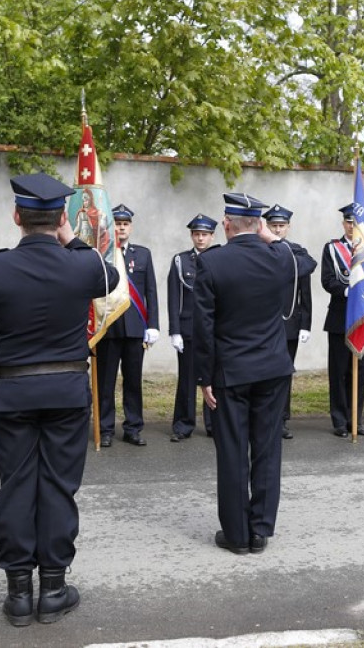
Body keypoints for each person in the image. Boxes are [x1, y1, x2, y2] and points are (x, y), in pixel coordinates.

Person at [0, 172, 120, 626]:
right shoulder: (82, 264)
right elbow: (109, 276)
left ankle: (17, 595)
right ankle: (52, 589)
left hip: (11, 396)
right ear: (61, 219)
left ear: (17, 217)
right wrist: (72, 240)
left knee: (15, 489)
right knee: (57, 486)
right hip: (67, 394)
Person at [194, 193, 313, 555]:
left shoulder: (212, 263)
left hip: (231, 371)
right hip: (273, 369)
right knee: (266, 448)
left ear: (227, 224)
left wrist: (204, 377)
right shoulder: (278, 258)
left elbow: (204, 327)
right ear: (259, 225)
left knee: (232, 451)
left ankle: (237, 534)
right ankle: (260, 529)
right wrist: (273, 239)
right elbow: (307, 261)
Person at [95, 204, 159, 447]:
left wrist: (153, 325)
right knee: (106, 382)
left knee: (133, 381)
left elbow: (150, 292)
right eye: (117, 223)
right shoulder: (101, 254)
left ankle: (133, 427)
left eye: (125, 223)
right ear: (111, 226)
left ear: (130, 227)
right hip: (108, 328)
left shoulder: (143, 254)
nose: (121, 227)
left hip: (135, 328)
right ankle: (106, 428)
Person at [321, 203, 364, 438]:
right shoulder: (332, 249)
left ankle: (356, 419)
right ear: (343, 224)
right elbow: (327, 280)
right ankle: (339, 420)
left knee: (360, 372)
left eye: (356, 223)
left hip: (363, 320)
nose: (352, 226)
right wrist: (347, 291)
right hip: (339, 318)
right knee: (338, 372)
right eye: (348, 222)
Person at [264, 204, 317, 440]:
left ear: (288, 227)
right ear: (266, 226)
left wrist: (306, 324)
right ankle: (263, 418)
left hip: (289, 324)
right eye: (273, 225)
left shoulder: (297, 253)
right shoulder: (259, 250)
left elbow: (305, 292)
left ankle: (281, 419)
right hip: (263, 326)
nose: (277, 229)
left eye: (281, 225)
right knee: (263, 374)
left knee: (284, 374)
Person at [167, 214, 218, 442]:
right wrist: (174, 331)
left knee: (213, 378)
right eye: (196, 234)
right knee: (187, 379)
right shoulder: (181, 261)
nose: (200, 238)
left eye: (204, 235)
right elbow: (173, 297)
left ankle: (214, 424)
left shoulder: (220, 258)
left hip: (214, 329)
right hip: (188, 328)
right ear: (191, 236)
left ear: (212, 236)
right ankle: (183, 424)